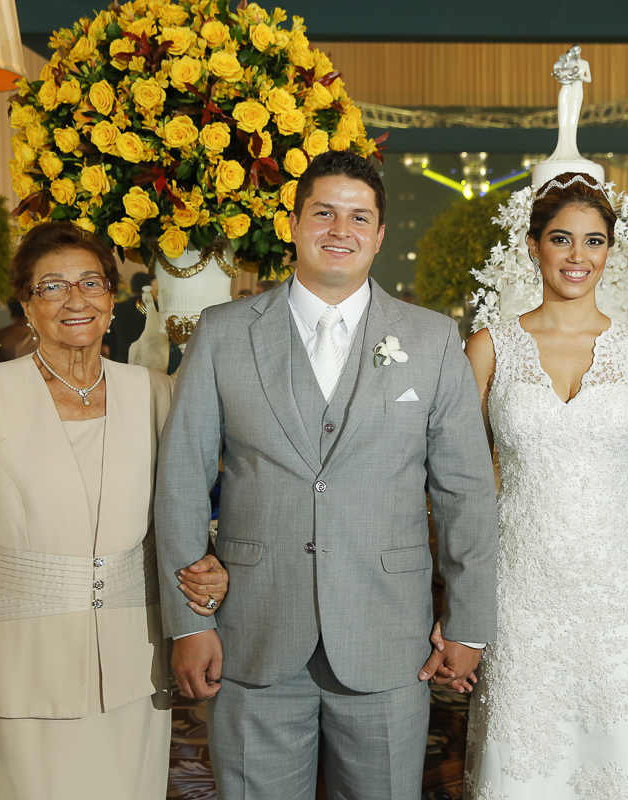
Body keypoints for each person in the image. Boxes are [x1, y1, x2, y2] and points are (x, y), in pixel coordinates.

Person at [154, 150, 499, 800]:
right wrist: (190, 621)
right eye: (324, 213)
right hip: (251, 632)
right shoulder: (223, 335)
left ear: (379, 234)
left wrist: (469, 619)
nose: (341, 230)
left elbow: (467, 493)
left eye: (358, 217)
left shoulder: (430, 340)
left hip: (387, 634)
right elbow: (180, 482)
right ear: (293, 223)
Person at [0, 221, 229, 800]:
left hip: (134, 675)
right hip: (13, 678)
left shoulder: (156, 392)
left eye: (90, 283)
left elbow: (180, 513)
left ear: (113, 299)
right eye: (52, 287)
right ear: (27, 307)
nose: (75, 299)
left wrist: (211, 562)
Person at [460, 172, 628, 798]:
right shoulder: (489, 348)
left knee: (614, 752)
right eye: (561, 239)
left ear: (611, 250)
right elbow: (463, 483)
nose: (578, 256)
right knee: (523, 754)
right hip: (519, 586)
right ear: (532, 246)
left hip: (614, 591)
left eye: (594, 241)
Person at [105, 271, 155, 363]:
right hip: (151, 360)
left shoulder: (117, 309)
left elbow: (110, 338)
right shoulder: (155, 308)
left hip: (123, 359)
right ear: (149, 287)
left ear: (132, 287)